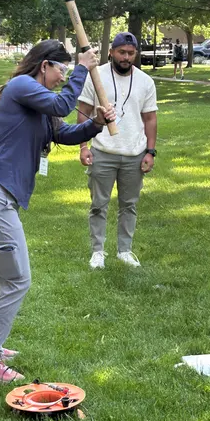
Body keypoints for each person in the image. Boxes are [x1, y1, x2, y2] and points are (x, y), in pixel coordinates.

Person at [0, 40, 116, 383]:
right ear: (45, 65)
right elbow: (62, 104)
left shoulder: (39, 104)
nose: (62, 77)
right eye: (60, 69)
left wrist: (97, 124)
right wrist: (83, 67)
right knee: (17, 279)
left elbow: (65, 133)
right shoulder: (22, 86)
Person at [77, 32, 158, 269]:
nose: (126, 57)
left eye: (131, 53)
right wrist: (83, 146)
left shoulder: (145, 81)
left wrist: (150, 152)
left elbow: (150, 118)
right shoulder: (96, 75)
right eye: (121, 52)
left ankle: (124, 250)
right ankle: (98, 252)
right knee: (98, 205)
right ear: (111, 52)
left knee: (129, 204)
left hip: (134, 152)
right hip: (102, 150)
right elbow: (83, 110)